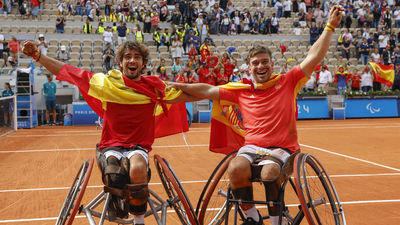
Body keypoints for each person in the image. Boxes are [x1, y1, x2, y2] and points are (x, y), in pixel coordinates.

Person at [168, 5, 344, 225]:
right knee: (235, 167)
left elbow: (314, 56)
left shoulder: (287, 82)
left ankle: (276, 221)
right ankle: (252, 219)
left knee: (269, 173)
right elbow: (205, 91)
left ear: (272, 64)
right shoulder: (241, 90)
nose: (260, 66)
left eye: (264, 62)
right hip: (252, 147)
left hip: (283, 149)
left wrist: (329, 27)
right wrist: (174, 86)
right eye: (255, 63)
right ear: (249, 68)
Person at [22, 39, 198, 225]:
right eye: (127, 57)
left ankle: (139, 220)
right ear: (120, 62)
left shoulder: (154, 88)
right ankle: (119, 203)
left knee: (137, 169)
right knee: (113, 174)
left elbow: (192, 93)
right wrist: (38, 56)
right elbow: (68, 72)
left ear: (143, 63)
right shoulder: (106, 83)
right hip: (111, 144)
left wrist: (223, 92)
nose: (132, 61)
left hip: (138, 146)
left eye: (137, 57)